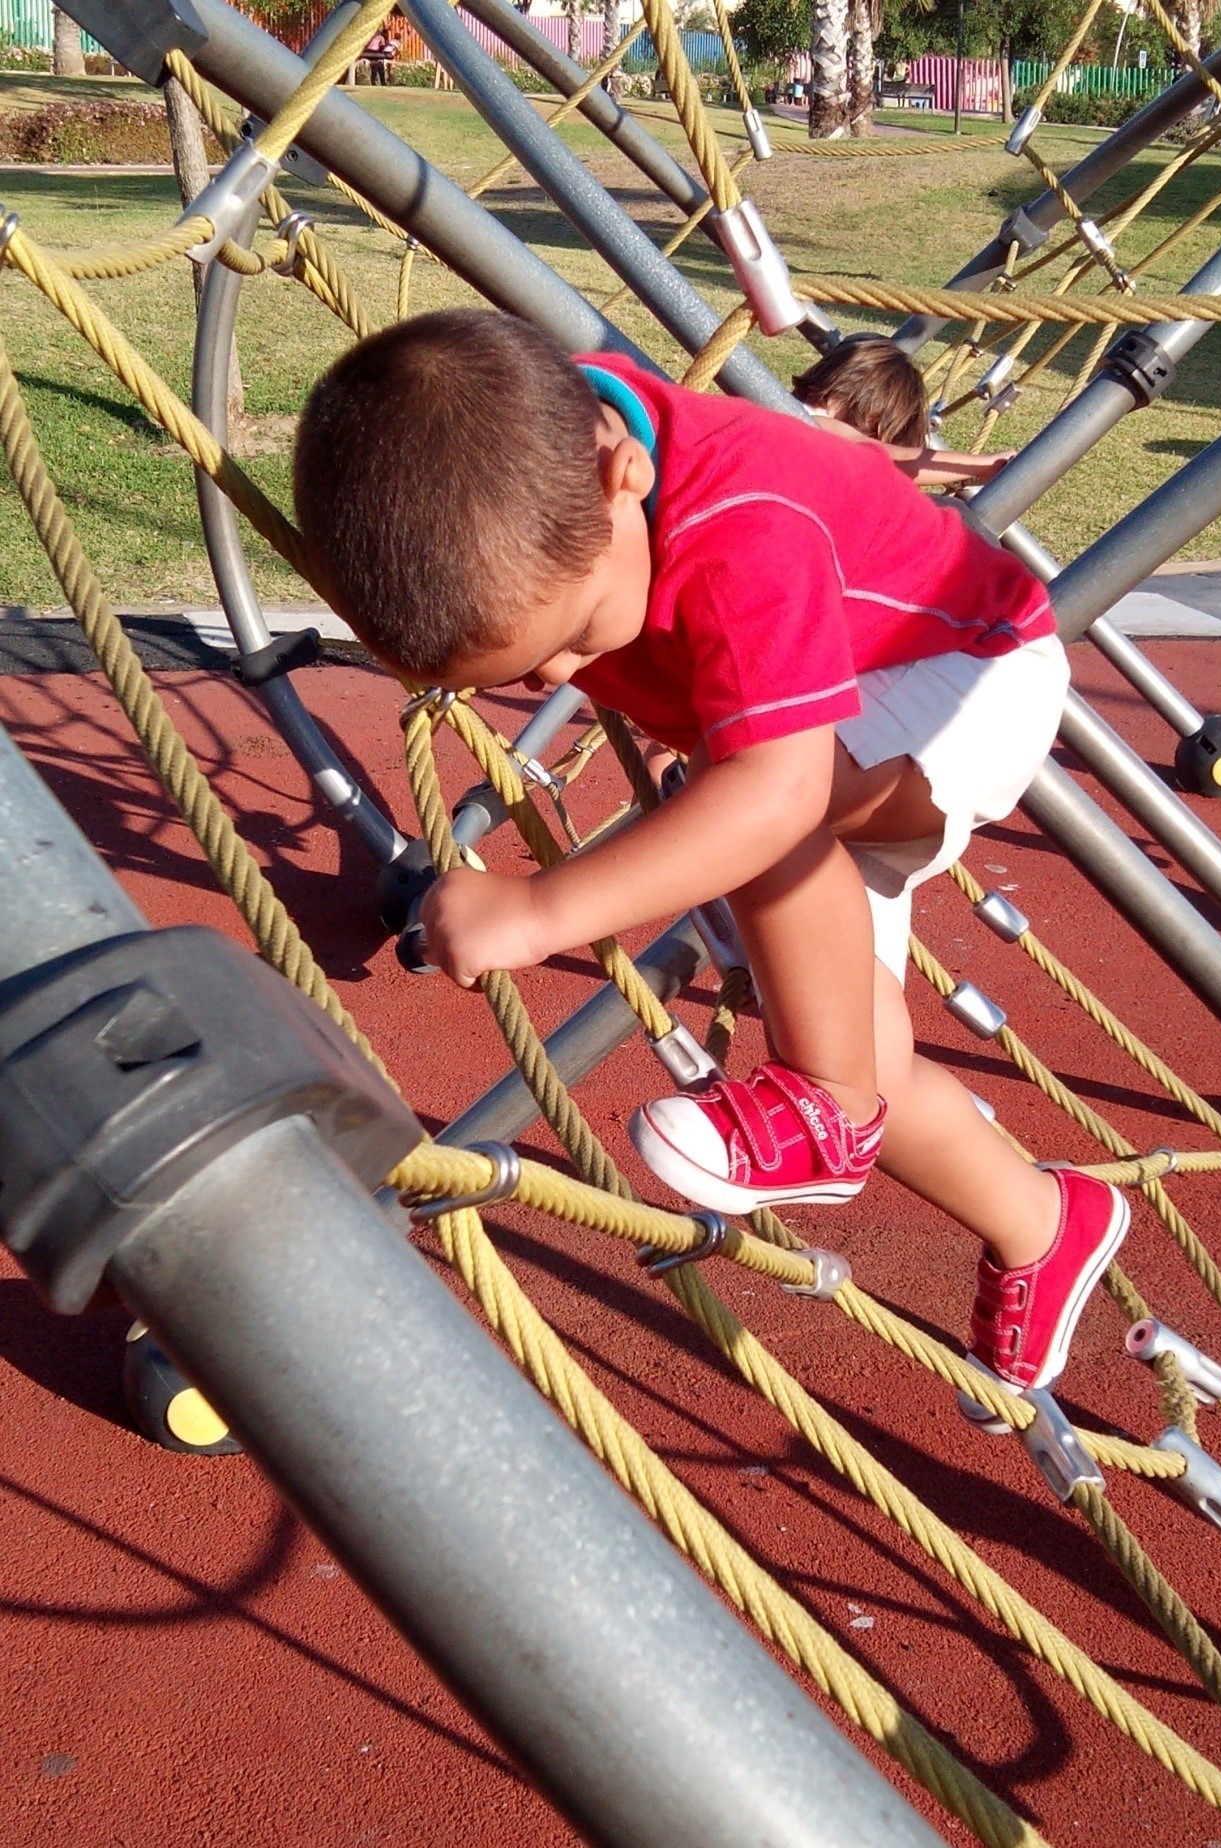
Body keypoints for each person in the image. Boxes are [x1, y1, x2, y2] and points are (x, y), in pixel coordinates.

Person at [292, 309, 1129, 1402]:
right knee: (851, 1024)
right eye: (526, 667)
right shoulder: (537, 453)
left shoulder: (745, 527)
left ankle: (823, 1109)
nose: (557, 683)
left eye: (578, 638)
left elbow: (774, 793)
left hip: (957, 679)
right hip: (807, 734)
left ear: (624, 472)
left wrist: (539, 910)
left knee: (754, 817)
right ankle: (1043, 1222)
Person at [793, 332, 1012, 487]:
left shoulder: (778, 404)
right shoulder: (813, 424)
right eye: (874, 434)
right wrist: (985, 465)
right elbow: (895, 461)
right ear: (871, 414)